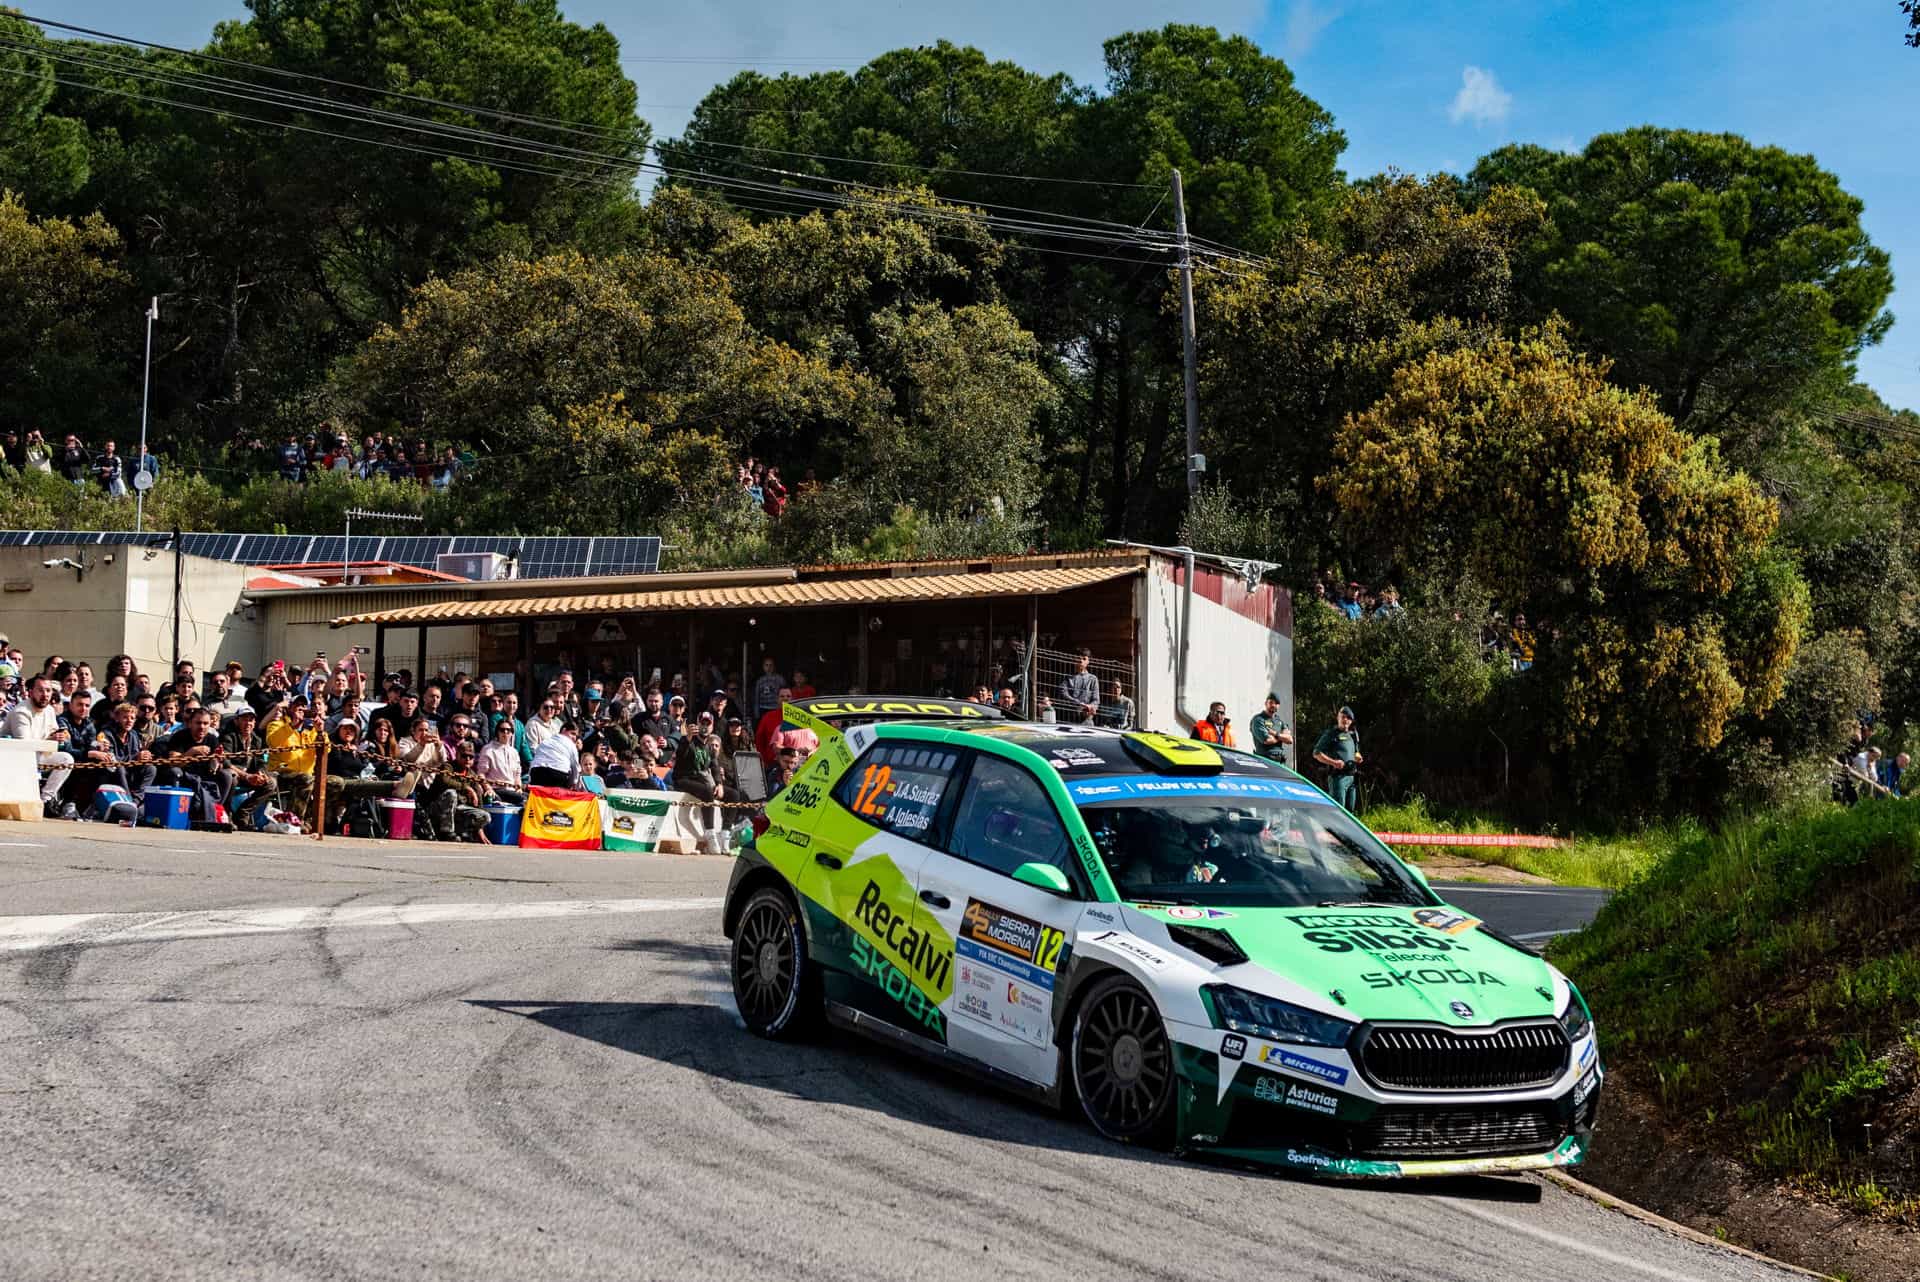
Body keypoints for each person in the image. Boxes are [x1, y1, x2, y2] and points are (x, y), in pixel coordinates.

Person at [322, 721, 400, 834]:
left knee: (367, 789)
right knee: (364, 787)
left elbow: (363, 767)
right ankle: (395, 786)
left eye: (352, 729)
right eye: (345, 729)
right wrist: (347, 752)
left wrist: (389, 767)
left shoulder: (356, 750)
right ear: (338, 730)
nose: (348, 732)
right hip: (339, 781)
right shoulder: (333, 747)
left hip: (355, 782)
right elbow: (339, 764)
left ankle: (378, 829)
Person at [217, 708, 281, 830]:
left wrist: (260, 774)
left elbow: (261, 761)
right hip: (235, 774)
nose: (248, 723)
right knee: (232, 777)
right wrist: (246, 776)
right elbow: (225, 762)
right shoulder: (229, 737)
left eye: (251, 720)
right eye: (244, 720)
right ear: (237, 721)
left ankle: (243, 813)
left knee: (271, 783)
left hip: (250, 775)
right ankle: (228, 813)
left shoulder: (257, 740)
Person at [263, 699, 319, 826]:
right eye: (297, 705)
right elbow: (273, 742)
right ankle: (293, 822)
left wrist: (320, 730)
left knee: (335, 783)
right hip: (282, 773)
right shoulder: (277, 725)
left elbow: (327, 750)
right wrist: (292, 726)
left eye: (303, 706)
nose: (301, 708)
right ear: (289, 709)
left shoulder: (310, 730)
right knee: (306, 779)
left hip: (307, 775)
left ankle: (313, 821)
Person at [1311, 706, 1364, 811]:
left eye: (1348, 718)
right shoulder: (1331, 734)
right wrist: (1334, 762)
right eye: (1343, 717)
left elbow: (1356, 753)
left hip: (1352, 778)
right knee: (1339, 812)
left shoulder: (1353, 735)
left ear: (1351, 721)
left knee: (1350, 812)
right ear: (1338, 718)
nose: (1345, 720)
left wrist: (1358, 758)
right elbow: (1316, 753)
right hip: (1338, 779)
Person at [476, 717, 526, 803]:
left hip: (512, 790)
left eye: (508, 730)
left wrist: (518, 787)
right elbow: (481, 773)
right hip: (497, 789)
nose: (505, 732)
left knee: (532, 799)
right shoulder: (488, 749)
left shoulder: (514, 752)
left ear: (512, 733)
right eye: (502, 730)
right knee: (524, 800)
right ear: (497, 732)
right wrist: (488, 788)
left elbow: (517, 774)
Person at [528, 719, 581, 789]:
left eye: (576, 736)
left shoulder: (546, 741)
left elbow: (535, 759)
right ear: (563, 730)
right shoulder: (571, 744)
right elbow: (575, 769)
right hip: (556, 774)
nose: (574, 738)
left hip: (536, 772)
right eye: (573, 733)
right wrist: (571, 784)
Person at [1249, 693, 1293, 765]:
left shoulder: (1279, 721)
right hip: (1264, 762)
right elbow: (1267, 740)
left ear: (1278, 706)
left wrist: (1275, 734)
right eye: (1271, 702)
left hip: (1279, 763)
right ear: (1266, 703)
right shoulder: (1258, 719)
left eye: (1276, 703)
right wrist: (1281, 737)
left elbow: (1290, 740)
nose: (1273, 705)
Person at [1058, 648, 1099, 725]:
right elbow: (1063, 694)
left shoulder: (1092, 679)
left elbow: (1096, 700)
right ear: (1074, 659)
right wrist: (1080, 704)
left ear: (1088, 661)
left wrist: (1090, 707)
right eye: (1079, 658)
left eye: (1084, 659)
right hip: (1069, 719)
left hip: (1087, 719)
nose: (1081, 661)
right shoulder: (1067, 677)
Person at [751, 656, 785, 725]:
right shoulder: (760, 681)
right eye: (766, 665)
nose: (769, 668)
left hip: (775, 707)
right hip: (763, 708)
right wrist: (756, 712)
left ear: (774, 667)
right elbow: (756, 697)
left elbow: (784, 695)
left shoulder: (780, 679)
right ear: (763, 667)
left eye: (771, 665)